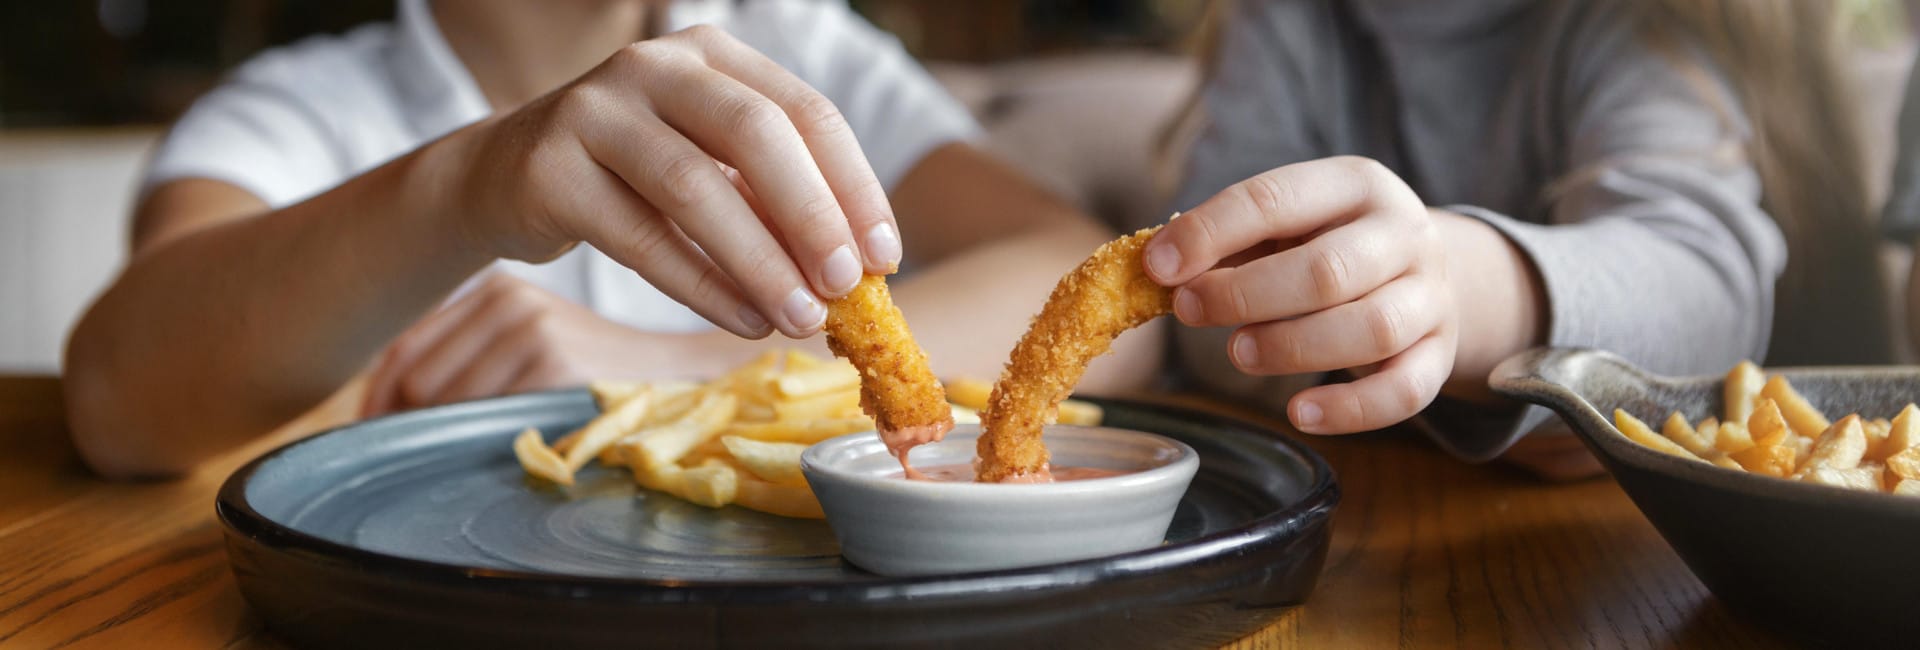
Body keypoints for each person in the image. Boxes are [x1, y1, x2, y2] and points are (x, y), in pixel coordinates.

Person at [63, 0, 1162, 479]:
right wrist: (466, 186)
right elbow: (119, 400)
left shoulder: (798, 44)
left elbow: (1090, 289)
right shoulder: (298, 109)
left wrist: (671, 374)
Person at [1143, 0, 1889, 476]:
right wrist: (1364, 320)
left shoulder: (1641, 21)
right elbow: (1198, 313)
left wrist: (1460, 295)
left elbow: (1703, 290)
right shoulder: (1284, 23)